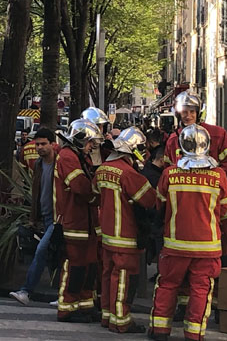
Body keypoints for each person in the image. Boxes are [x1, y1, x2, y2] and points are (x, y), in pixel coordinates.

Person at [149, 125, 227, 341]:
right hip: (207, 247)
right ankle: (194, 334)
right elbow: (225, 211)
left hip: (175, 245)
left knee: (167, 285)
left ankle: (160, 330)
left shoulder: (170, 174)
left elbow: (160, 204)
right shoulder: (219, 176)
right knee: (200, 290)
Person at [93, 127, 156, 333]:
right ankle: (121, 320)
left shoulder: (103, 168)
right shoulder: (128, 173)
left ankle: (107, 315)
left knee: (108, 275)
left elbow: (95, 191)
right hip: (126, 235)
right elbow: (149, 200)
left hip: (108, 234)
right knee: (124, 278)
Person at [55, 119, 103, 323]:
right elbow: (80, 186)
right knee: (75, 265)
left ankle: (85, 305)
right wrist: (97, 195)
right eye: (90, 142)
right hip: (74, 221)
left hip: (87, 222)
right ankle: (67, 308)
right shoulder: (67, 156)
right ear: (80, 139)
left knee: (89, 265)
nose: (92, 146)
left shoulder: (80, 156)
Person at [10, 128, 60, 305]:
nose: (39, 147)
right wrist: (34, 217)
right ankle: (64, 296)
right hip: (46, 216)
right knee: (53, 255)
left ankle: (26, 291)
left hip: (58, 218)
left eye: (43, 144)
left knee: (41, 252)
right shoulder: (39, 164)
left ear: (53, 144)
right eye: (37, 144)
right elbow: (36, 191)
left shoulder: (60, 162)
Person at [163, 91, 227, 180]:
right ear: (178, 114)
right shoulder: (173, 139)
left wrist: (213, 179)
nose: (188, 116)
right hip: (185, 191)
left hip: (212, 189)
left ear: (198, 113)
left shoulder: (218, 134)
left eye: (192, 112)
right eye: (184, 112)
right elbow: (168, 169)